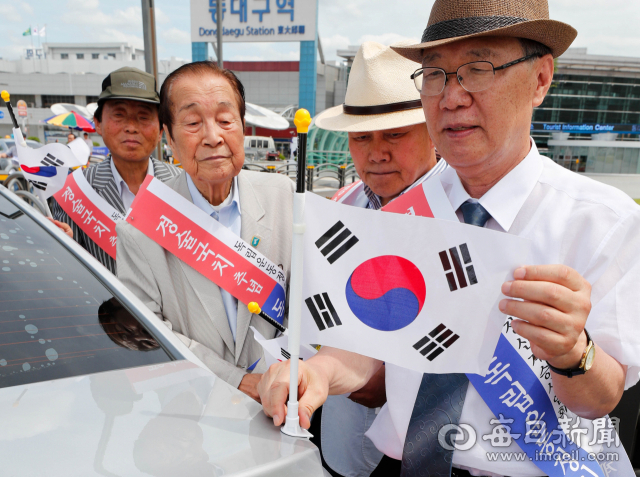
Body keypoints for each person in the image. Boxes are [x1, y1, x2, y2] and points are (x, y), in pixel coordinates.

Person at [258, 1, 640, 477]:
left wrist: (572, 353)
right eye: (435, 75)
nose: (451, 97)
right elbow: (364, 343)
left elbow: (602, 399)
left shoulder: (601, 221)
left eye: (478, 69)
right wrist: (318, 373)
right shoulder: (402, 214)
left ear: (541, 79)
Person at [115, 61, 295, 400]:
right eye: (193, 123)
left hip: (283, 404)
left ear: (243, 126)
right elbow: (145, 332)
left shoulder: (282, 194)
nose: (213, 137)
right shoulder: (139, 230)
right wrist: (236, 381)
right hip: (194, 413)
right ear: (168, 137)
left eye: (226, 121)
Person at [310, 41, 448, 477]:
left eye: (395, 134)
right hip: (342, 430)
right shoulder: (339, 207)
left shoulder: (466, 213)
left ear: (432, 129)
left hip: (430, 445)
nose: (376, 152)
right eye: (361, 137)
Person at [51, 67, 180, 274]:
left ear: (161, 130)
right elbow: (67, 274)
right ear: (98, 124)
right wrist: (63, 247)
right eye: (119, 115)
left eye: (143, 117)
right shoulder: (74, 191)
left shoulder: (184, 185)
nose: (131, 127)